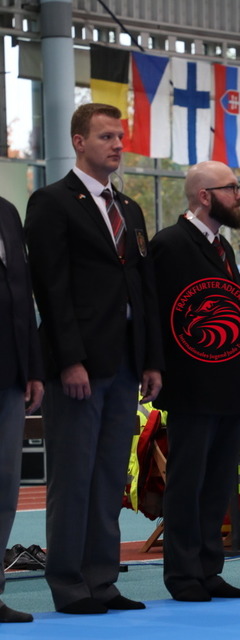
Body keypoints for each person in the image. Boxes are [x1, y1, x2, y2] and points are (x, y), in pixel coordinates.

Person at [24, 103, 164, 614]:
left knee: (108, 478)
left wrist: (151, 359)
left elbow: (143, 289)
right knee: (73, 478)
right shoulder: (51, 202)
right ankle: (68, 584)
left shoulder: (129, 209)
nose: (117, 145)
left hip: (125, 362)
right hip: (79, 365)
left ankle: (102, 581)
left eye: (120, 137)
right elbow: (51, 288)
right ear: (79, 142)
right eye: (106, 136)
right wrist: (69, 360)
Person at [150, 160, 240, 602]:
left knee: (217, 484)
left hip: (229, 383)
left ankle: (210, 569)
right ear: (204, 196)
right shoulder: (170, 244)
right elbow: (160, 317)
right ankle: (183, 574)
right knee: (188, 483)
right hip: (191, 386)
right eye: (232, 188)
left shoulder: (222, 247)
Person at [0, 196, 44, 623]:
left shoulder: (7, 212)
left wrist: (33, 368)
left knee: (4, 488)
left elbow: (22, 293)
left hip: (9, 373)